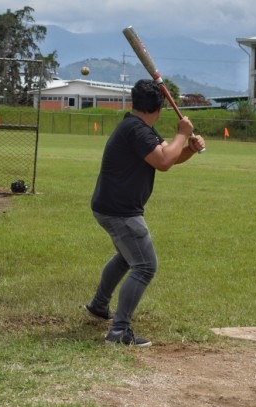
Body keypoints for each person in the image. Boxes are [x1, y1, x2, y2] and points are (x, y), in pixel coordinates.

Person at [85, 79, 206, 347]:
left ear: (134, 102)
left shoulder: (137, 127)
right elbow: (163, 162)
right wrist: (182, 133)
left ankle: (98, 305)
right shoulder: (137, 131)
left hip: (110, 207)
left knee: (127, 258)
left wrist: (188, 149)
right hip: (121, 212)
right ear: (160, 108)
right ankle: (118, 332)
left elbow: (168, 156)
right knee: (145, 265)